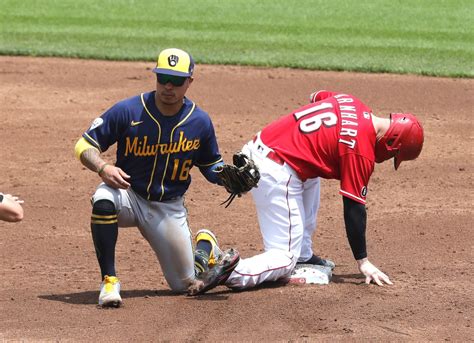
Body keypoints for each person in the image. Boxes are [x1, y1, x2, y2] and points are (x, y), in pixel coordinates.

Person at [200, 90, 424, 291]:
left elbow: (317, 96)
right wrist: (362, 261)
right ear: (392, 143)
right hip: (276, 171)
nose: (389, 159)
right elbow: (354, 208)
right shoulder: (361, 151)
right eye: (394, 156)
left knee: (313, 170)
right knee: (284, 259)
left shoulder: (351, 101)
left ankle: (304, 256)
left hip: (262, 147)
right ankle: (231, 269)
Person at [74, 48, 239, 307]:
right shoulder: (129, 110)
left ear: (190, 82)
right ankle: (109, 281)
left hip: (167, 208)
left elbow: (210, 165)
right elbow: (84, 146)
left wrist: (227, 177)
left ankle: (205, 245)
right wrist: (103, 167)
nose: (168, 87)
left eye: (176, 81)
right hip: (129, 195)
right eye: (163, 78)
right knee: (103, 199)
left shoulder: (199, 121)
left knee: (184, 284)